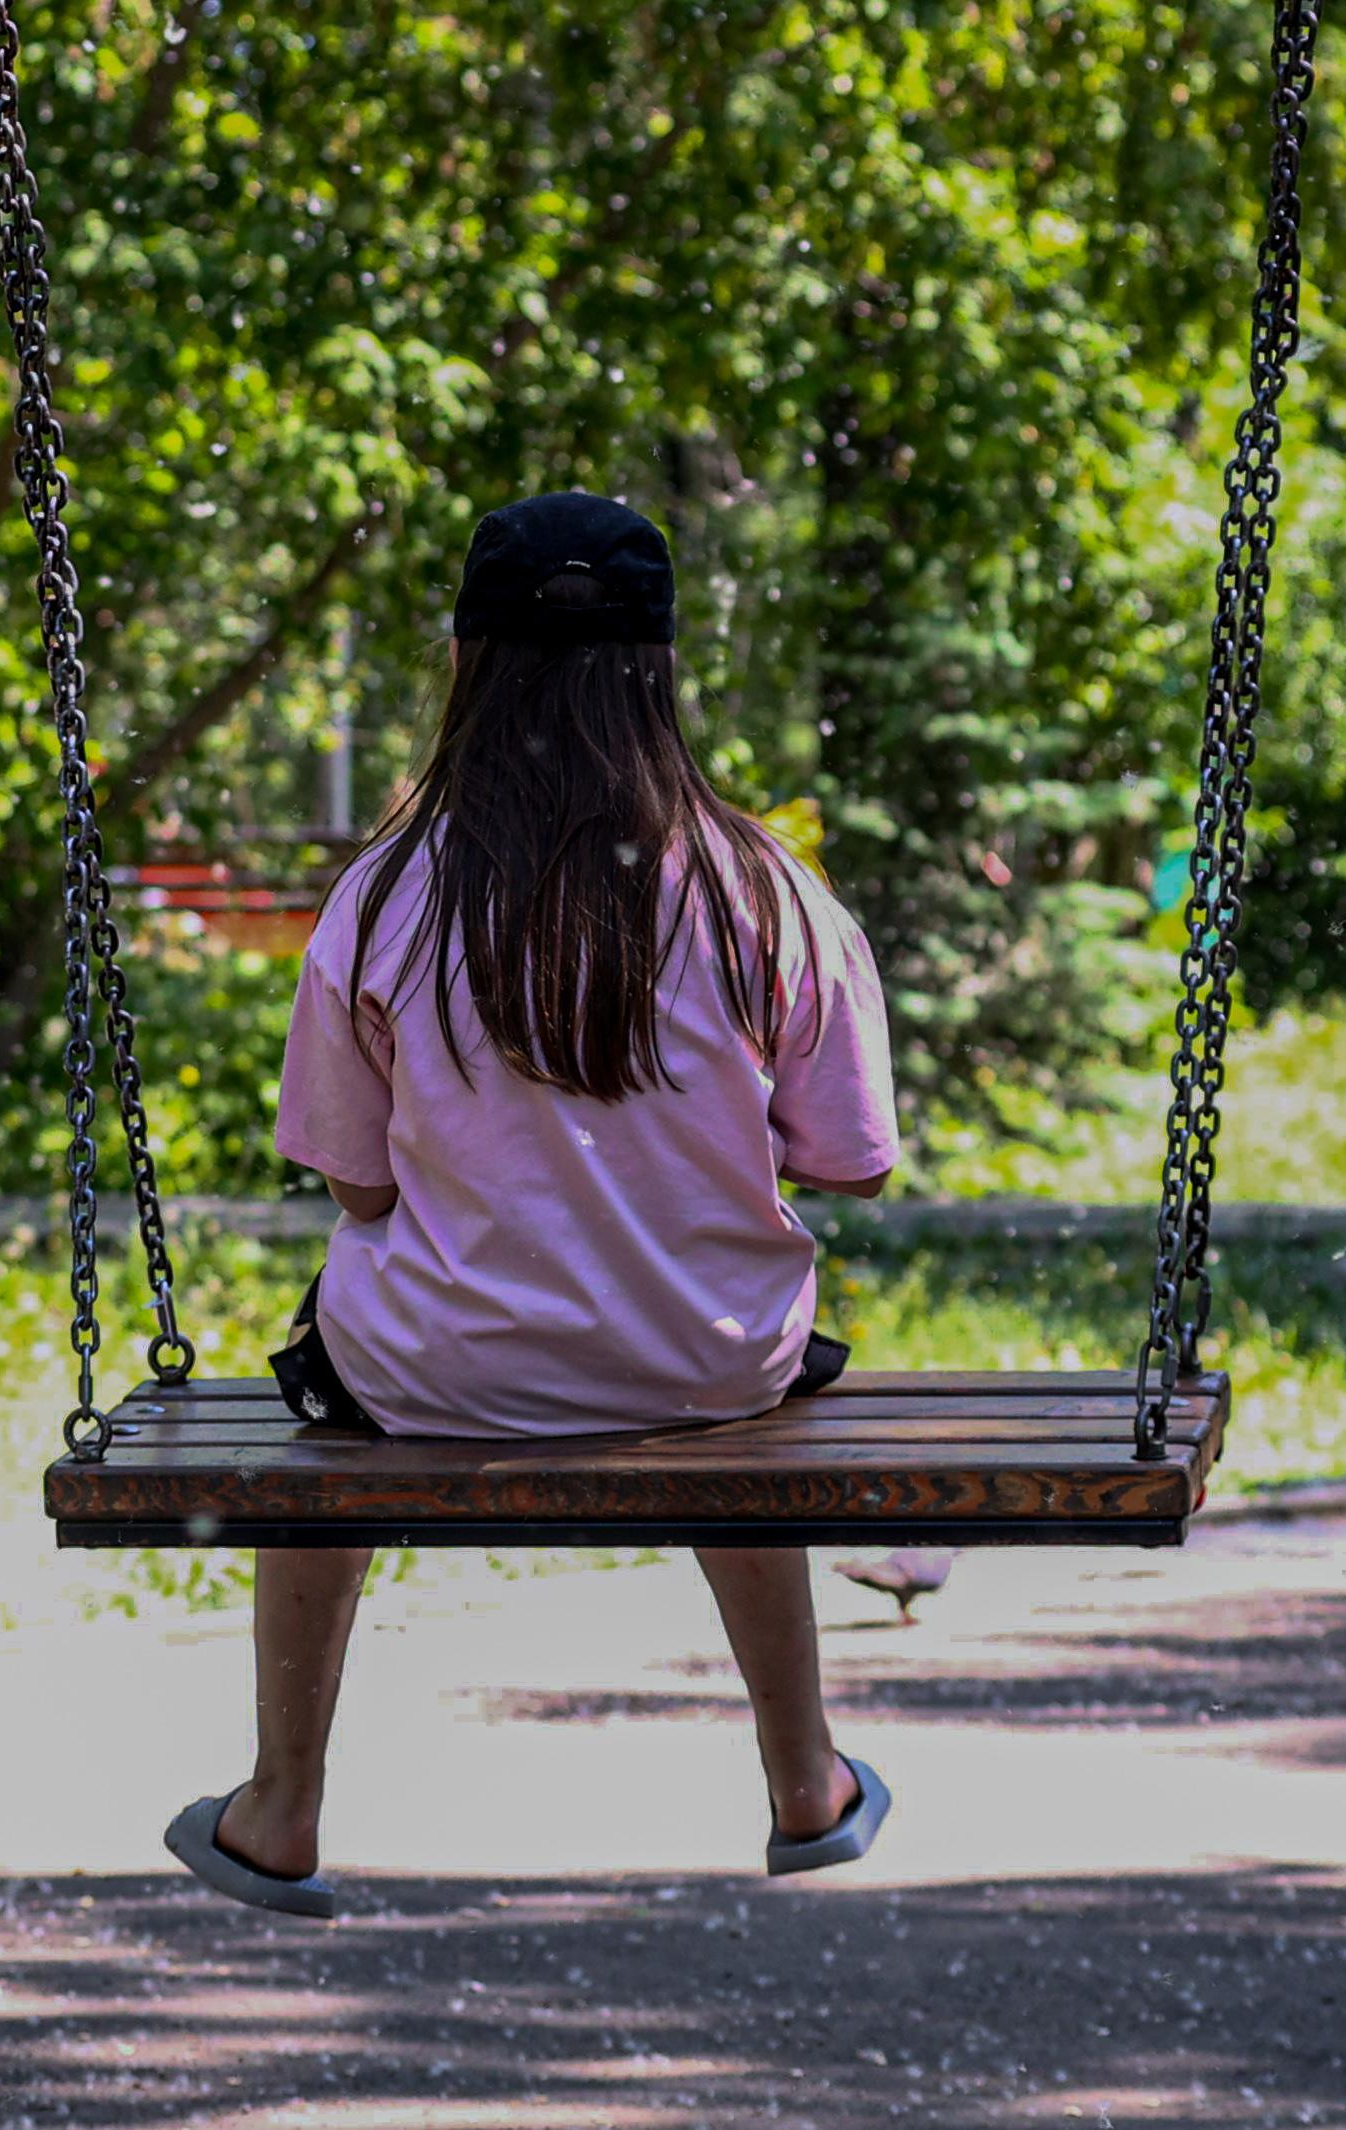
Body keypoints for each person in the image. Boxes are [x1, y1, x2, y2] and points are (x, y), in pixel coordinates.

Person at [162, 493, 901, 1919]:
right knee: (728, 1396)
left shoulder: (387, 897)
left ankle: (282, 1804)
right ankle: (805, 1783)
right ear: (659, 670)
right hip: (707, 1357)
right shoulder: (764, 890)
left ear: (469, 664)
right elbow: (851, 1161)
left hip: (442, 1367)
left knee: (324, 1407)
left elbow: (358, 1175)